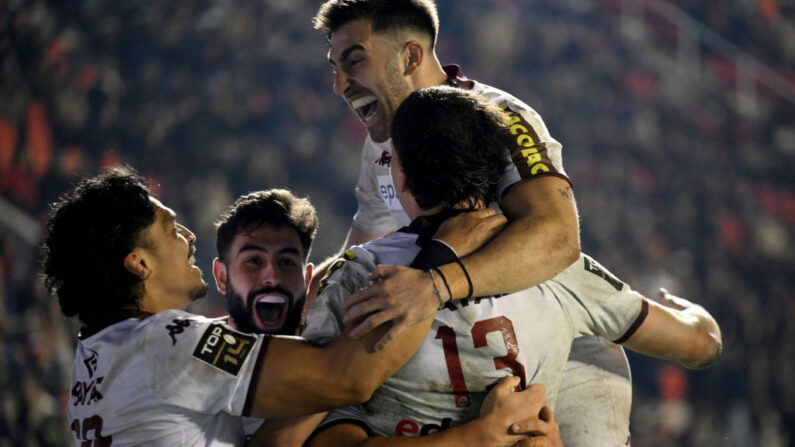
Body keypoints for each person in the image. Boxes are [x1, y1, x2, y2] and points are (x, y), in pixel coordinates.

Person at [301, 87, 721, 445]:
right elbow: (702, 345)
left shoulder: (354, 275)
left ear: (402, 178)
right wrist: (694, 314)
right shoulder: (555, 265)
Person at [308, 1, 633, 444]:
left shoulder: (499, 116)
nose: (340, 84)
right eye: (335, 68)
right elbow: (368, 241)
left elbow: (557, 238)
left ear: (411, 57)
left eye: (355, 61)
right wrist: (308, 290)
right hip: (463, 360)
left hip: (555, 357)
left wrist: (436, 283)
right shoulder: (382, 140)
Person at [41, 168, 442, 445]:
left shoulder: (94, 354)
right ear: (138, 263)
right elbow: (347, 378)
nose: (188, 236)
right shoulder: (174, 344)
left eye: (287, 262)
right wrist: (438, 273)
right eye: (169, 227)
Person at [211, 189, 562, 446]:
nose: (271, 277)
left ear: (307, 280)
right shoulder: (190, 346)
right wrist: (482, 436)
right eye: (253, 261)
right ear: (222, 276)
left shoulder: (321, 360)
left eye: (287, 262)